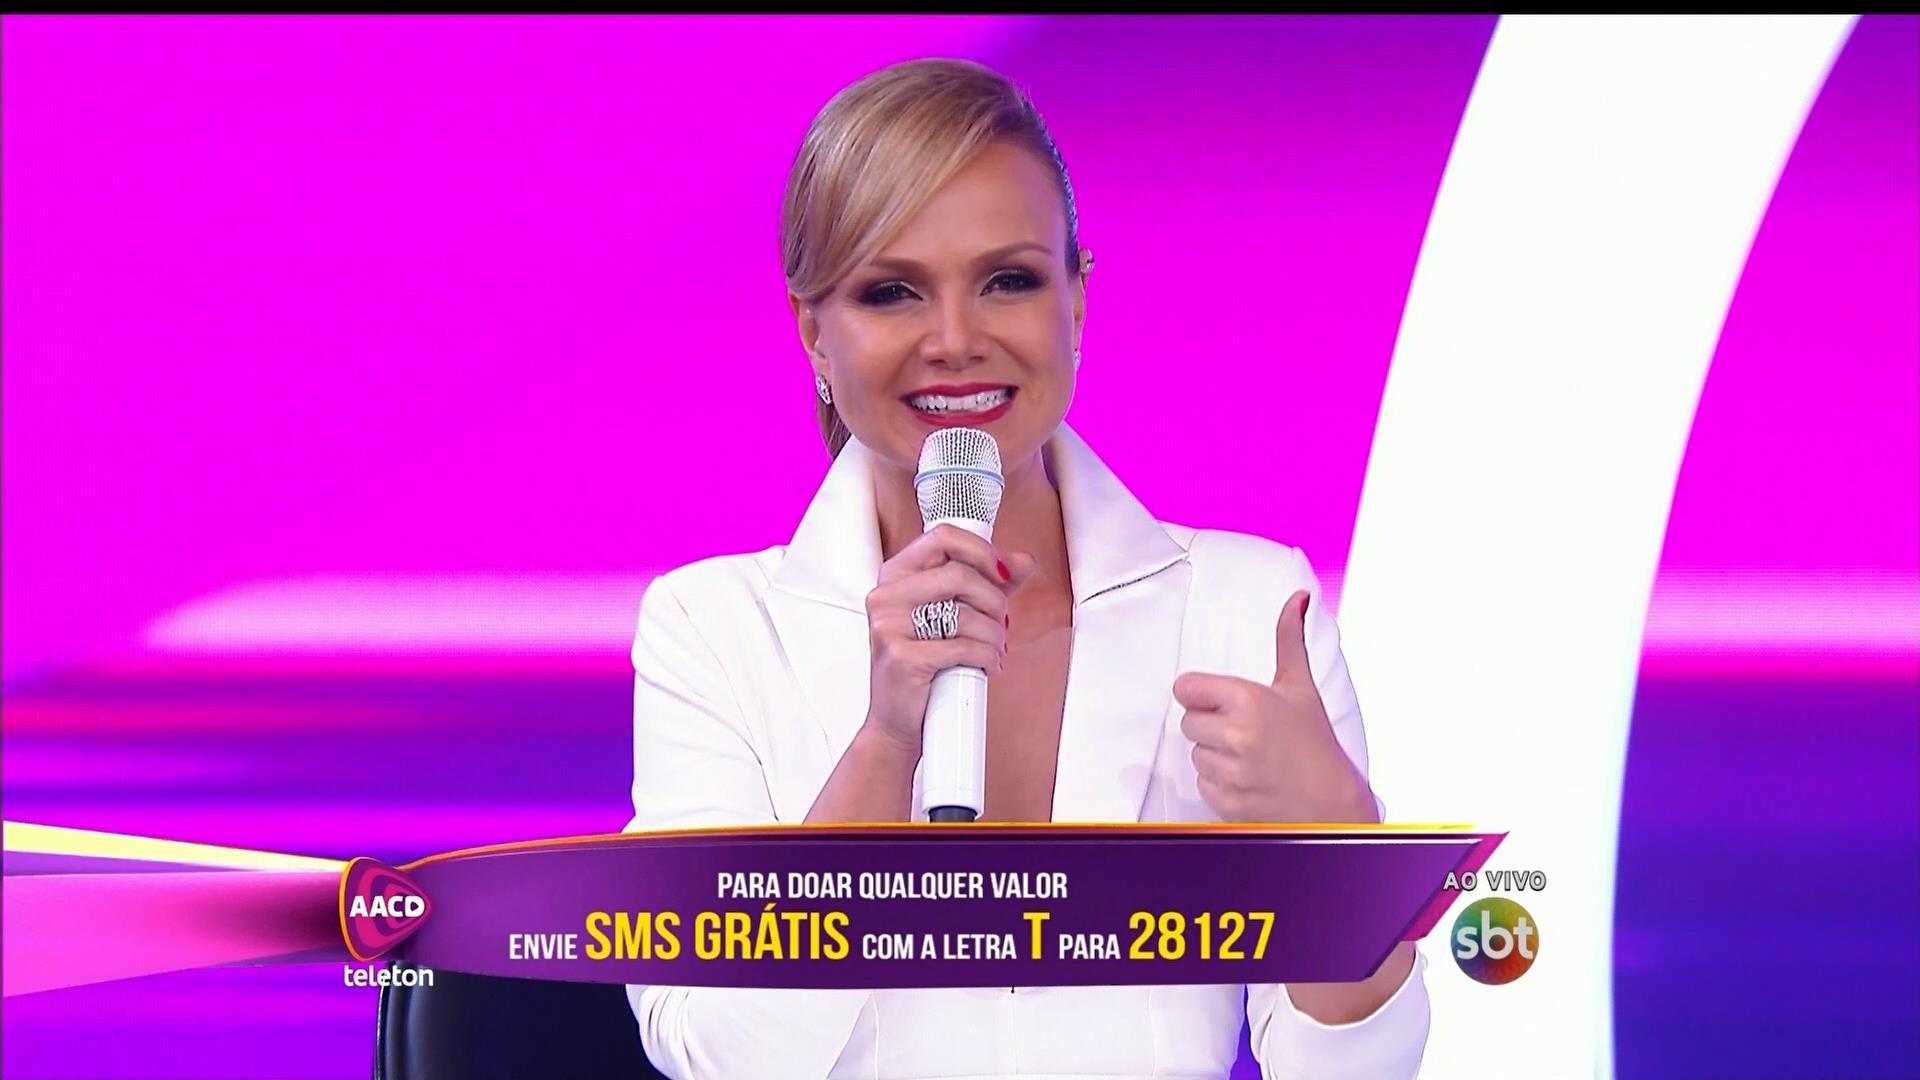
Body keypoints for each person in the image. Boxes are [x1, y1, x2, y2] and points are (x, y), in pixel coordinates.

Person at [622, 57, 1430, 1080]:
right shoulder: (712, 629)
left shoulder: (1248, 607)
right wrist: (885, 743)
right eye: (892, 292)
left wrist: (1341, 846)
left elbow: (1353, 1071)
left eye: (1008, 280)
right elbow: (717, 1056)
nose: (955, 341)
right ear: (813, 335)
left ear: (1077, 301)